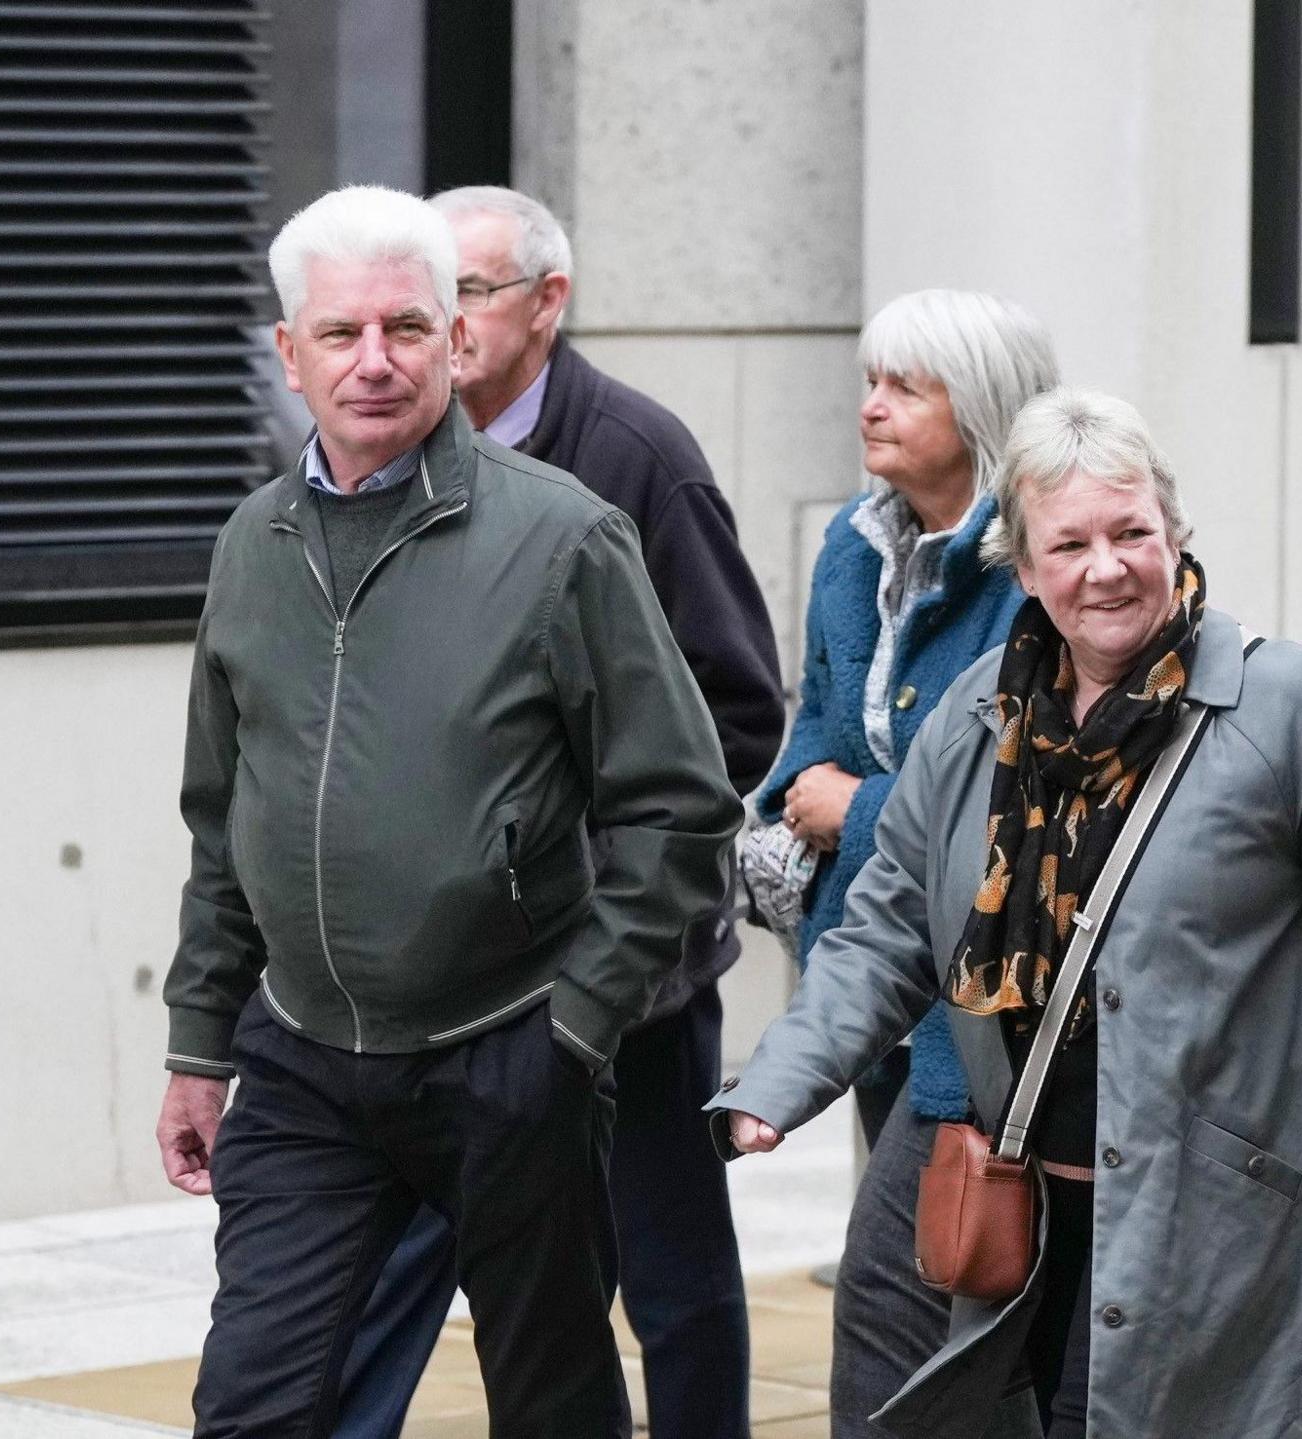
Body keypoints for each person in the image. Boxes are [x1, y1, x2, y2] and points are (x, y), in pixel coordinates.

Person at [714, 387, 1302, 1439]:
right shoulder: (979, 715)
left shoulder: (1289, 708)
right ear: (1022, 565)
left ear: (1174, 534)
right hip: (1028, 1222)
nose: (1105, 568)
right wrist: (781, 1082)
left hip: (1220, 1229)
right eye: (1069, 545)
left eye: (1130, 533)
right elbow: (885, 929)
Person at [153, 185, 742, 1439]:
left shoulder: (567, 536)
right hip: (306, 1060)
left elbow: (680, 806)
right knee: (254, 1402)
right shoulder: (250, 545)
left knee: (554, 1404)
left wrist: (577, 1024)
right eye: (340, 333)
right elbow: (224, 813)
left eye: (407, 328)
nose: (374, 361)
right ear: (288, 356)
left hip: (508, 1047)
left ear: (451, 339)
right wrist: (201, 1038)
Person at [325, 185, 786, 1439]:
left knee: (670, 1266)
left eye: (467, 290)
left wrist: (575, 860)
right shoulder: (393, 450)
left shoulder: (641, 458)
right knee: (458, 1268)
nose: (445, 321)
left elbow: (739, 713)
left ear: (549, 303)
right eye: (435, 292)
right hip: (452, 973)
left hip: (628, 965)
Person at [752, 288, 1055, 1436]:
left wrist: (857, 808)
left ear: (975, 407)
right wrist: (793, 803)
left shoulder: (1036, 560)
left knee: (941, 1288)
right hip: (874, 971)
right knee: (949, 1278)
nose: (870, 405)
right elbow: (817, 725)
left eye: (904, 386)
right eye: (869, 378)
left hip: (991, 1004)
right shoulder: (852, 540)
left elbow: (1025, 796)